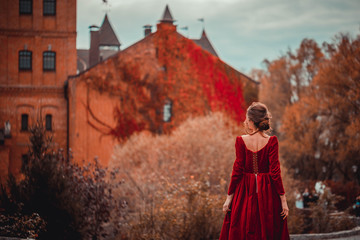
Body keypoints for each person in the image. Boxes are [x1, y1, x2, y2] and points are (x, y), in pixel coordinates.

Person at [219, 102, 290, 240]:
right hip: (268, 193)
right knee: (268, 229)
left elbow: (237, 171)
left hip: (244, 191)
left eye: (247, 119)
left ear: (251, 122)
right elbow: (275, 173)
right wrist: (283, 199)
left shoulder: (240, 141)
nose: (245, 121)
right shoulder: (272, 141)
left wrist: (229, 198)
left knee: (242, 228)